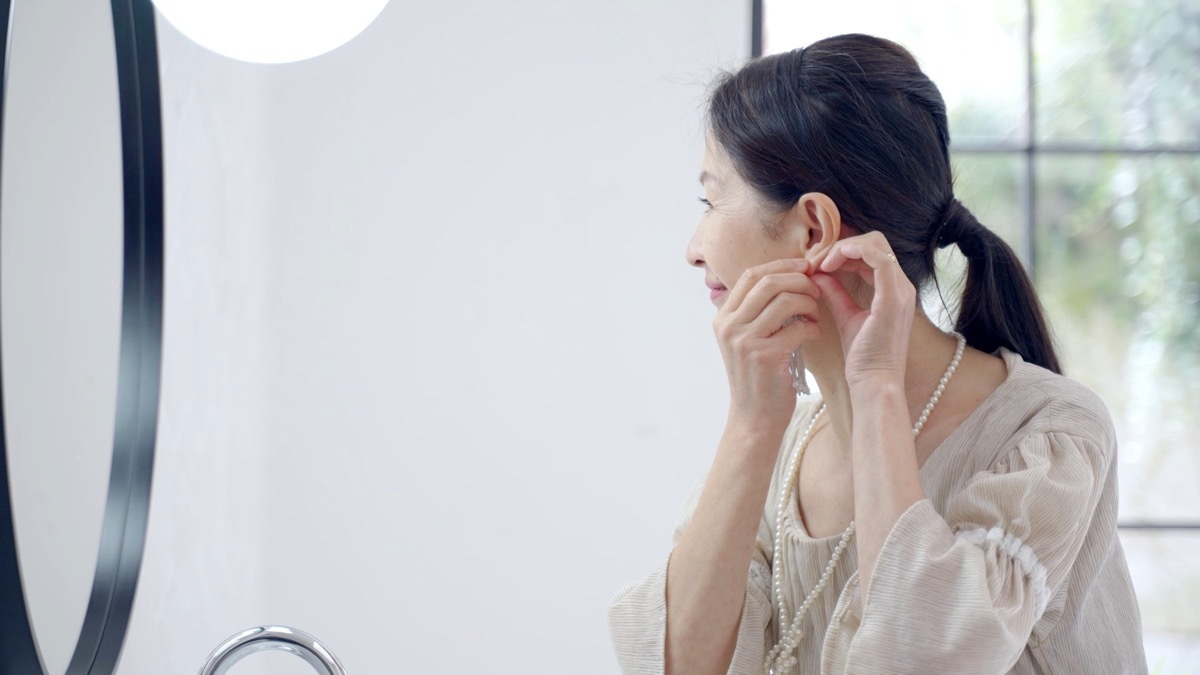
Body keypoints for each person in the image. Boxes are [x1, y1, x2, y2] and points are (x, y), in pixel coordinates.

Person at [607, 34, 1146, 675]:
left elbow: (921, 659)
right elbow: (677, 665)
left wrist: (878, 388)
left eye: (712, 199)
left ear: (814, 226)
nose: (694, 248)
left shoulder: (1049, 434)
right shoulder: (782, 448)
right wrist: (751, 424)